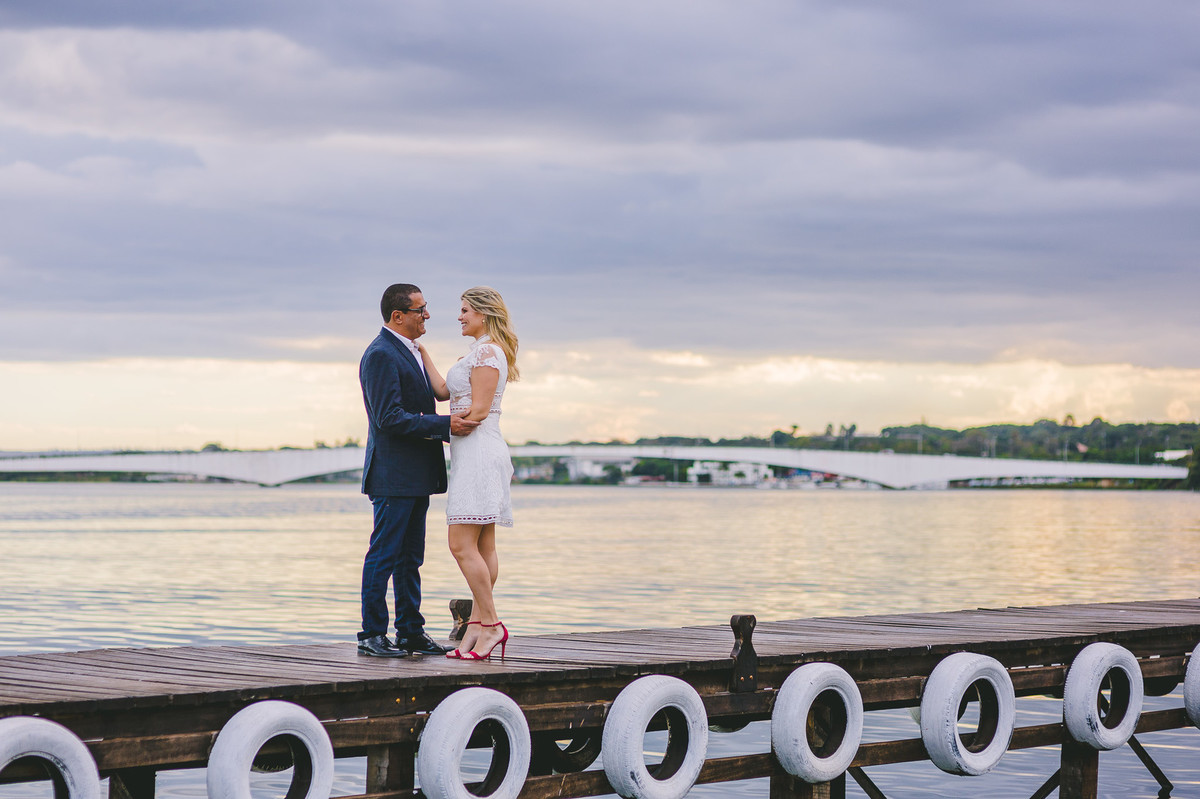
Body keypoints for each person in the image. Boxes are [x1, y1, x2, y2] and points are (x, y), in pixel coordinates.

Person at [357, 283, 479, 657]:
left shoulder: (407, 351)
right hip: (393, 475)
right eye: (420, 309)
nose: (427, 315)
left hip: (413, 476)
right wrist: (446, 426)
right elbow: (388, 417)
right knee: (384, 555)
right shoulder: (380, 354)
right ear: (398, 316)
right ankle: (372, 635)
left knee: (411, 558)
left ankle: (410, 631)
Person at [417, 286, 518, 660]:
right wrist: (422, 352)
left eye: (464, 311)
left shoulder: (489, 352)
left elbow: (478, 411)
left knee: (460, 544)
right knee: (483, 545)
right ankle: (476, 625)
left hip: (479, 453)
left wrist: (440, 428)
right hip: (469, 453)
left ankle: (491, 624)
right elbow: (444, 392)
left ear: (483, 313)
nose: (459, 317)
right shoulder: (476, 353)